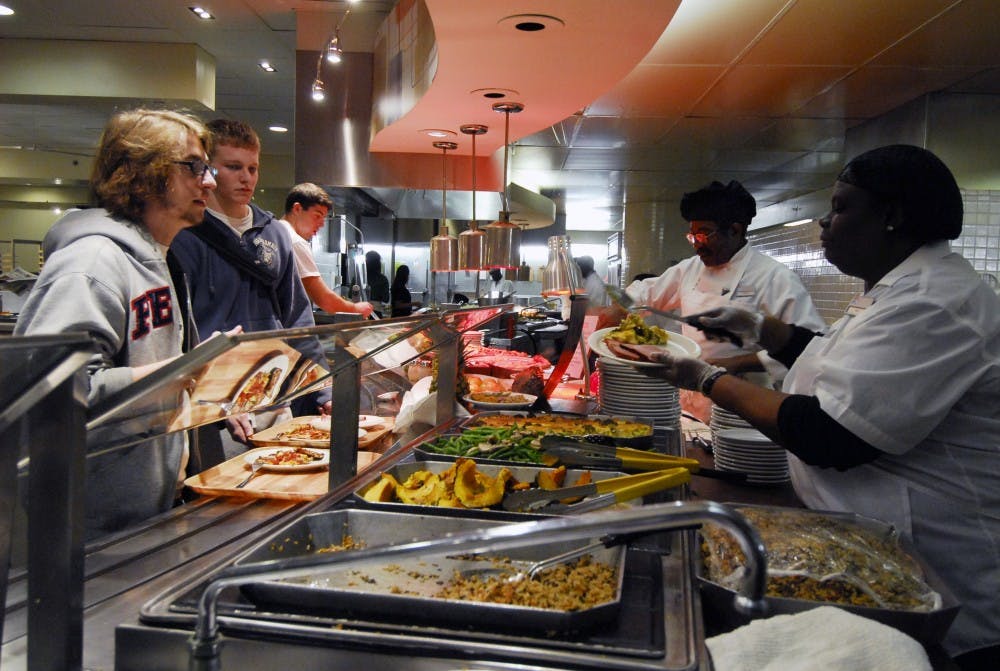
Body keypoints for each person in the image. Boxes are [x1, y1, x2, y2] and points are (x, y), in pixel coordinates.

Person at [616, 145, 1000, 669]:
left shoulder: (933, 301)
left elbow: (830, 433)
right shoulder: (895, 291)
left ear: (891, 216)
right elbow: (826, 360)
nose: (825, 221)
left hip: (939, 581)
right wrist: (762, 329)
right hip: (881, 552)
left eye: (841, 207)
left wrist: (703, 376)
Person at [14, 108, 217, 539]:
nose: (209, 181)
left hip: (144, 511)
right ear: (143, 173)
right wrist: (174, 375)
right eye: (194, 167)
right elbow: (46, 396)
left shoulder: (162, 261)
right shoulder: (91, 263)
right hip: (88, 527)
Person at [605, 179, 825, 421]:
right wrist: (618, 308)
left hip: (743, 404)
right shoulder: (689, 269)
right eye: (693, 236)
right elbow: (644, 292)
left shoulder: (774, 276)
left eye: (704, 234)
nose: (697, 245)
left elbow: (810, 348)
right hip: (690, 400)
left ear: (735, 230)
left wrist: (735, 363)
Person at [169, 119, 329, 447]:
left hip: (273, 390)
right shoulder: (183, 236)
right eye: (233, 167)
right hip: (215, 405)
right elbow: (178, 334)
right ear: (208, 170)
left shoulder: (274, 233)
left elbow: (297, 318)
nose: (246, 178)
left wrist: (323, 387)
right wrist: (210, 396)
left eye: (252, 168)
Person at [278, 182, 373, 318]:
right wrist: (355, 308)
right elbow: (324, 300)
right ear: (297, 209)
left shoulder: (275, 232)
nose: (322, 224)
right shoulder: (295, 241)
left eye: (323, 218)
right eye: (317, 216)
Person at [365, 250, 391, 316]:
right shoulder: (382, 279)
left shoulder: (360, 277)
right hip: (376, 312)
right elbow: (386, 299)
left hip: (361, 311)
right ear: (378, 263)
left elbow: (351, 295)